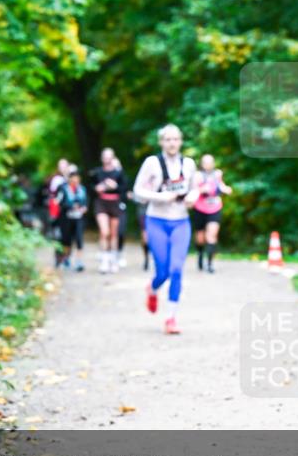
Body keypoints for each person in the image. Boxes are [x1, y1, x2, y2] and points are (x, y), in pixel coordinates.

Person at [132, 123, 198, 334]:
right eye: (167, 139)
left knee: (176, 269)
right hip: (156, 221)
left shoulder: (188, 164)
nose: (172, 143)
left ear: (180, 141)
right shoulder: (152, 163)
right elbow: (137, 191)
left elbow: (196, 190)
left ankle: (170, 318)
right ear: (161, 142)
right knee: (162, 271)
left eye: (175, 139)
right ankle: (152, 288)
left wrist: (191, 198)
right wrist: (161, 197)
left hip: (181, 222)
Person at [191, 154, 233, 273]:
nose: (208, 164)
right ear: (202, 164)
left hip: (215, 208)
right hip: (200, 209)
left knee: (212, 235)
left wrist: (226, 189)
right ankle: (200, 253)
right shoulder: (197, 175)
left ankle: (209, 264)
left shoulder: (217, 173)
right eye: (206, 162)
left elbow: (221, 185)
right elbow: (193, 191)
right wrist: (201, 190)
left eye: (210, 162)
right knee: (200, 237)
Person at [89, 148, 126, 274]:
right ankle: (104, 259)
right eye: (105, 156)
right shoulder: (97, 172)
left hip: (114, 203)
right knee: (105, 232)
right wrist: (97, 188)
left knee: (114, 234)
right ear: (102, 158)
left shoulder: (118, 173)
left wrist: (115, 186)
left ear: (113, 157)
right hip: (101, 203)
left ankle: (113, 260)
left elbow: (124, 188)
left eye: (109, 156)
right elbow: (91, 186)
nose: (107, 159)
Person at [57, 166, 88, 272]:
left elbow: (85, 202)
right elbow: (59, 202)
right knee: (67, 240)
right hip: (66, 218)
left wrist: (83, 208)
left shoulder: (82, 189)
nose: (75, 179)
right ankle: (66, 259)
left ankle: (79, 261)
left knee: (79, 239)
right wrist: (70, 206)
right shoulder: (63, 188)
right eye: (73, 177)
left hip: (79, 217)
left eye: (77, 177)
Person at [47, 158, 70, 266]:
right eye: (61, 166)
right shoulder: (56, 180)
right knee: (58, 235)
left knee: (68, 236)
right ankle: (58, 258)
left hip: (69, 213)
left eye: (64, 165)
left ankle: (66, 257)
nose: (63, 168)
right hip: (58, 212)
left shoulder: (71, 179)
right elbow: (54, 198)